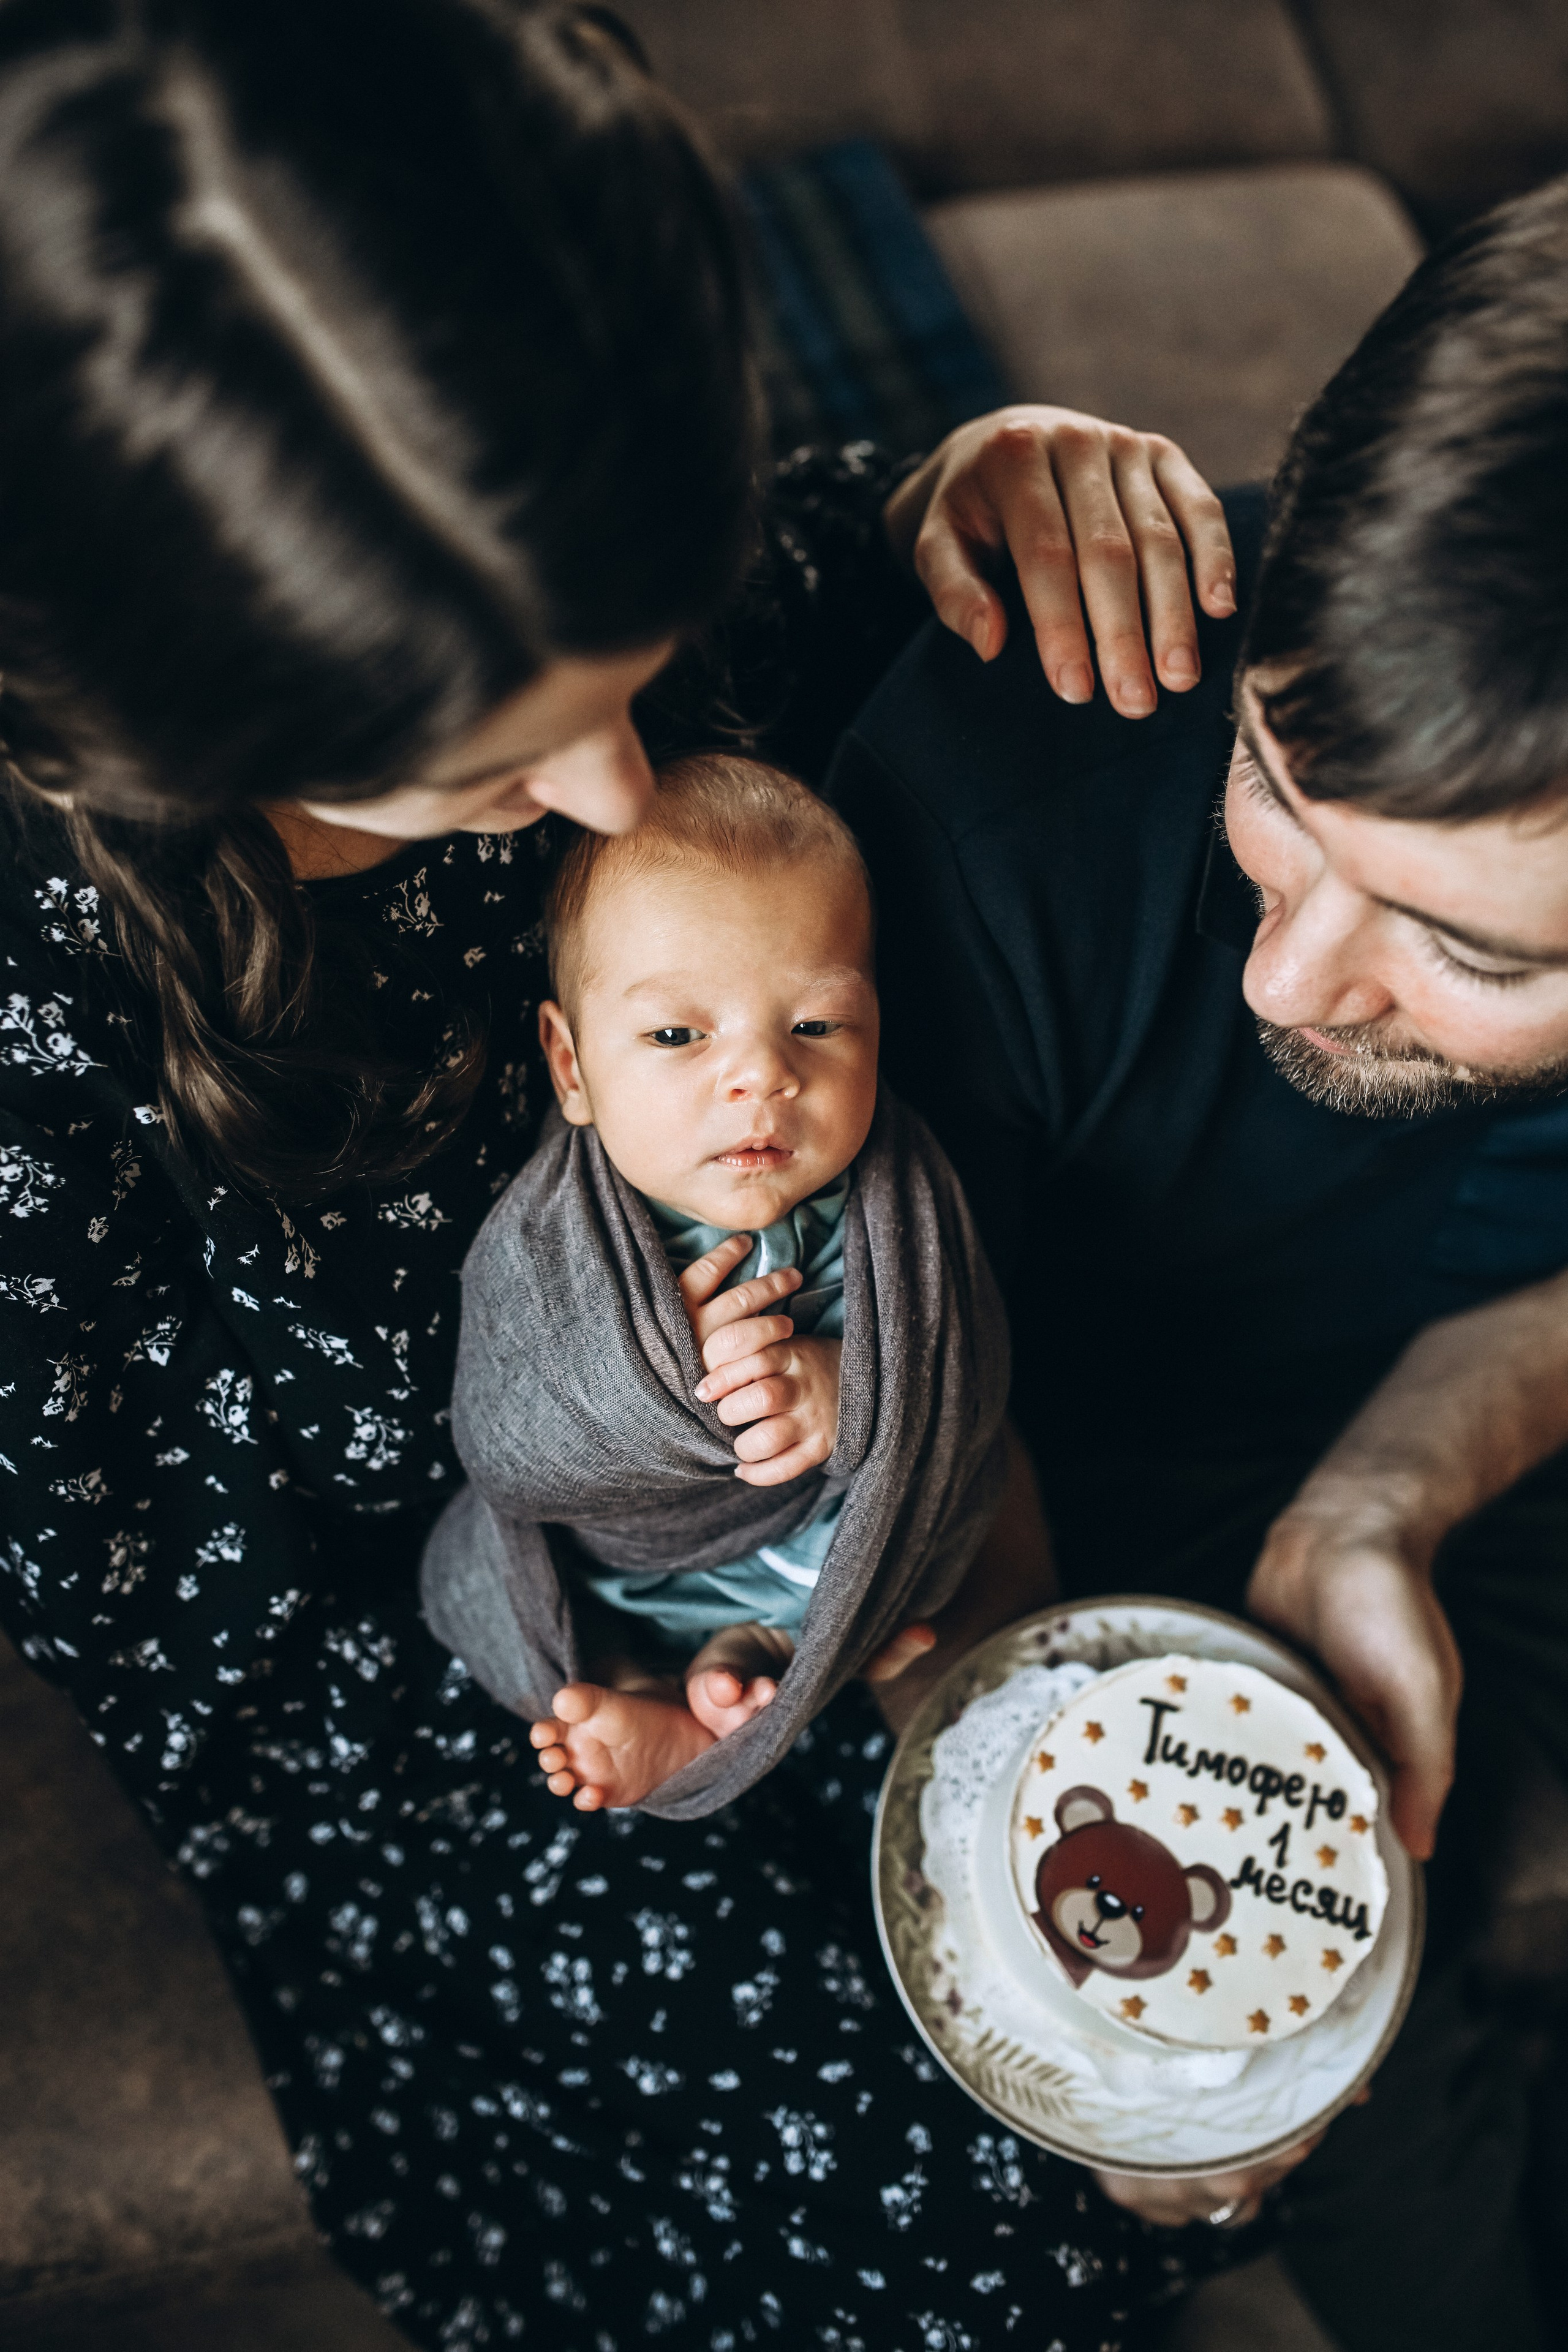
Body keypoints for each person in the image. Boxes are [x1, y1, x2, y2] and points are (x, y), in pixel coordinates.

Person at [0, 2, 1264, 2345]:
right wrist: (693, 1684)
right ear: (153, 726)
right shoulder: (56, 1052)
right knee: (967, 2206)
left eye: (633, 651)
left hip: (867, 1449)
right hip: (488, 1695)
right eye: (487, 753)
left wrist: (942, 491)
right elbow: (216, 1652)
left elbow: (791, 568)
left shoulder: (551, 474)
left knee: (1179, 2013)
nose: (611, 792)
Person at [829, 173, 1568, 2352]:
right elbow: (913, 1445)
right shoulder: (995, 806)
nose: (1293, 977)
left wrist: (1389, 1489)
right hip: (1074, 1487)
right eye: (1275, 778)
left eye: (1458, 946)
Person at [418, 755, 1008, 1812]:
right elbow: (501, 1437)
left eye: (818, 1026)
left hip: (812, 1554)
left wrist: (849, 1388)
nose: (762, 1076)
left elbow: (966, 1354)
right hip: (626, 1566)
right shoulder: (562, 1227)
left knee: (931, 1525)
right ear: (571, 1067)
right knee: (539, 1620)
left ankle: (759, 1663)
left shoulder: (898, 1187)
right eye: (678, 1035)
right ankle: (652, 1690)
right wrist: (639, 1376)